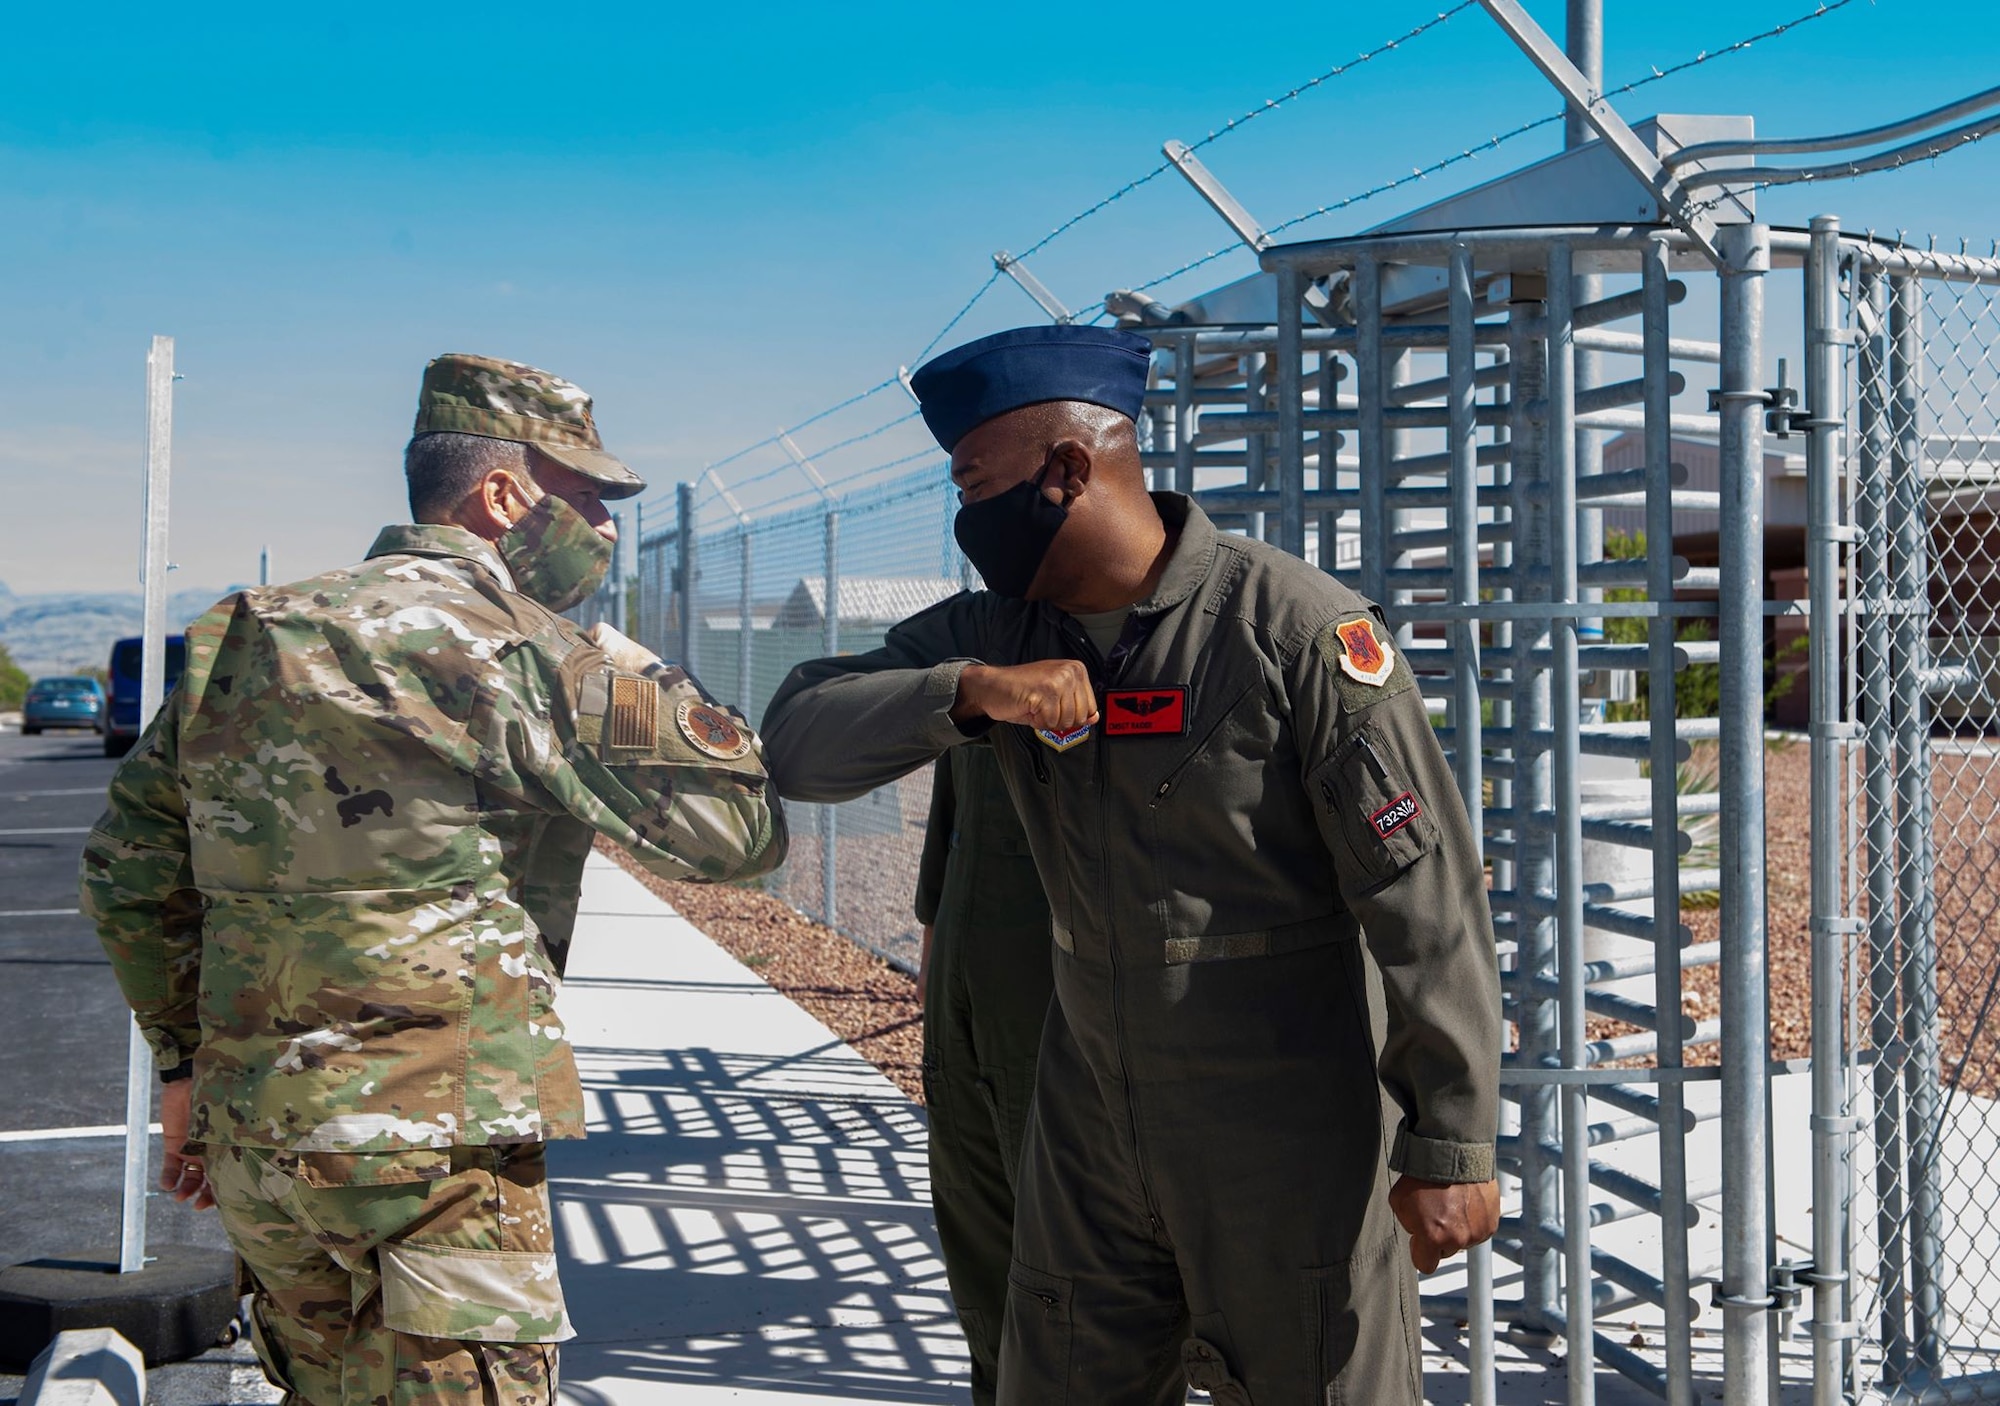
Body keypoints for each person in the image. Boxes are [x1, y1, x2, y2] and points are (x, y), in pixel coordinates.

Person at [763, 325, 1501, 1405]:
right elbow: (793, 739)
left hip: (1284, 1138)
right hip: (1086, 1136)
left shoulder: (1290, 631)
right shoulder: (996, 631)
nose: (964, 518)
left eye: (974, 483)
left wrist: (1452, 1136)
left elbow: (1423, 897)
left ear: (1066, 469)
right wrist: (969, 690)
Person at [80, 353, 787, 1406]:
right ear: (505, 496)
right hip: (436, 1149)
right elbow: (738, 833)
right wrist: (631, 669)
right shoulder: (523, 648)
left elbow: (126, 870)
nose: (604, 528)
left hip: (259, 1135)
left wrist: (185, 1066)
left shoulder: (246, 632)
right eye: (590, 498)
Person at [912, 741, 1053, 1406]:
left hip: (1053, 986)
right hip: (964, 978)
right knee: (978, 1241)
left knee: (1067, 1264)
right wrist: (934, 933)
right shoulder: (987, 640)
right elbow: (953, 792)